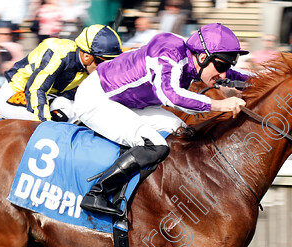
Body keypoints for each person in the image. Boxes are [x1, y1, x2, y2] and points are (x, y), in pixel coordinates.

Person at [73, 23, 248, 217]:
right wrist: (219, 105)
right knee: (156, 144)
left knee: (181, 132)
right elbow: (170, 95)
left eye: (226, 66)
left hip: (129, 102)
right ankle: (98, 193)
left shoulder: (196, 59)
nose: (223, 74)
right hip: (96, 98)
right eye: (221, 66)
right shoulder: (168, 53)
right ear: (203, 57)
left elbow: (234, 77)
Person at [0, 24, 124, 122]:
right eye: (103, 62)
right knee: (67, 112)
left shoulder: (89, 64)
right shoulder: (58, 53)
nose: (106, 68)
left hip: (50, 96)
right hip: (16, 94)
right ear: (86, 56)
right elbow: (36, 90)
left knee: (82, 111)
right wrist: (46, 123)